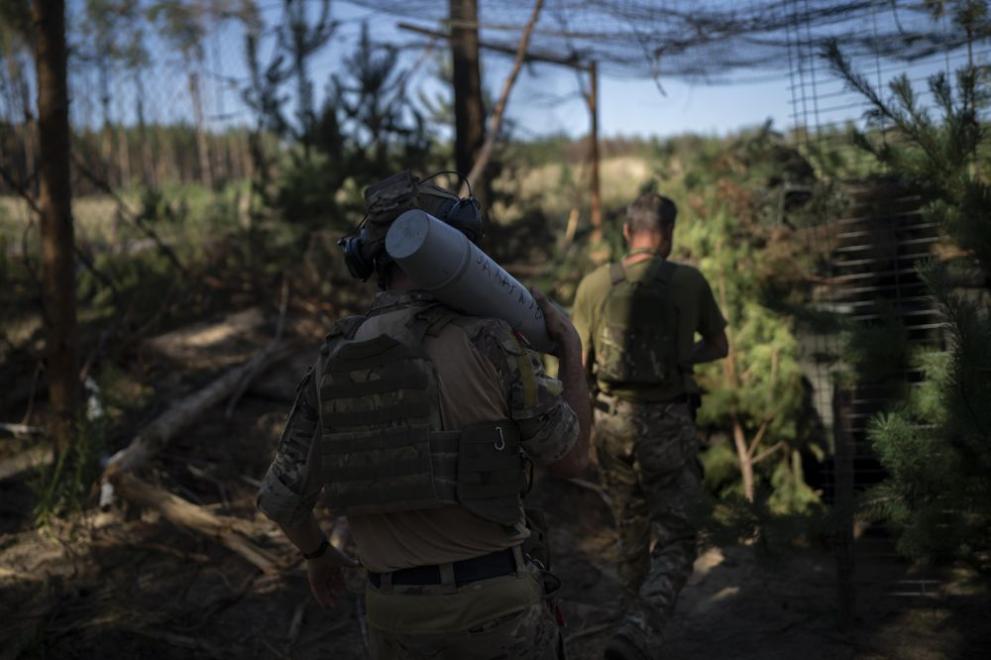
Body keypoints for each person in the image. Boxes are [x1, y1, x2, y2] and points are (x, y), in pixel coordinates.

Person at [257, 171, 591, 660]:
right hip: (497, 611)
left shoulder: (335, 357)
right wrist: (573, 357)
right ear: (455, 250)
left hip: (395, 619)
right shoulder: (491, 342)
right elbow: (572, 458)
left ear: (370, 259)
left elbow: (283, 499)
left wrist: (318, 556)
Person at [571, 192, 728, 660]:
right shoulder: (689, 282)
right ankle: (639, 629)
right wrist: (683, 358)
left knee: (630, 526)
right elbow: (718, 345)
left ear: (627, 232)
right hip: (666, 426)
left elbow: (577, 367)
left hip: (611, 423)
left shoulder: (594, 285)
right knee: (679, 535)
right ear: (669, 235)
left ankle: (627, 617)